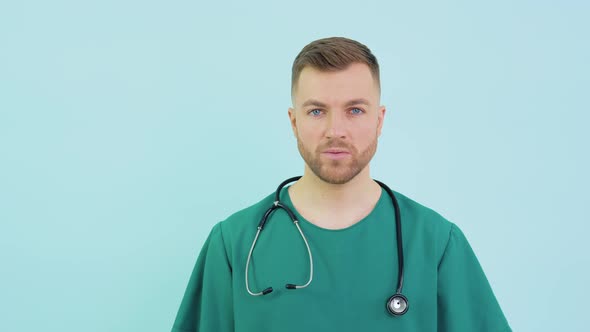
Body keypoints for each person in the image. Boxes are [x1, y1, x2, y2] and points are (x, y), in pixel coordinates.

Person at [171, 37, 511, 332]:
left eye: (355, 110)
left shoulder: (435, 243)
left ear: (379, 121)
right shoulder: (234, 243)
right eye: (317, 111)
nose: (336, 130)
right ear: (294, 122)